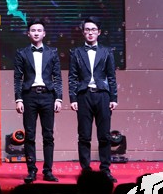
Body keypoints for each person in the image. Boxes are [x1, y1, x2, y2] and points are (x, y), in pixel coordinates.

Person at [68, 16, 119, 183]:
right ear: (83, 32)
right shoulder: (76, 52)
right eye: (87, 30)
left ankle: (105, 170)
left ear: (99, 32)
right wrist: (73, 98)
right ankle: (86, 170)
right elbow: (72, 77)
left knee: (104, 135)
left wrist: (114, 97)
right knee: (84, 136)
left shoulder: (106, 51)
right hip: (84, 95)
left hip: (103, 95)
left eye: (93, 30)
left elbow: (111, 76)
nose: (90, 33)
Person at [13, 18, 62, 183]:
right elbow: (18, 78)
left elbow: (57, 77)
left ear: (44, 33)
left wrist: (59, 98)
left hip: (48, 96)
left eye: (39, 30)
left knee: (48, 135)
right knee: (30, 135)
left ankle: (48, 171)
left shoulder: (52, 52)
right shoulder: (22, 52)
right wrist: (18, 99)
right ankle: (31, 170)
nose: (36, 33)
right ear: (28, 33)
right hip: (29, 96)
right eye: (33, 30)